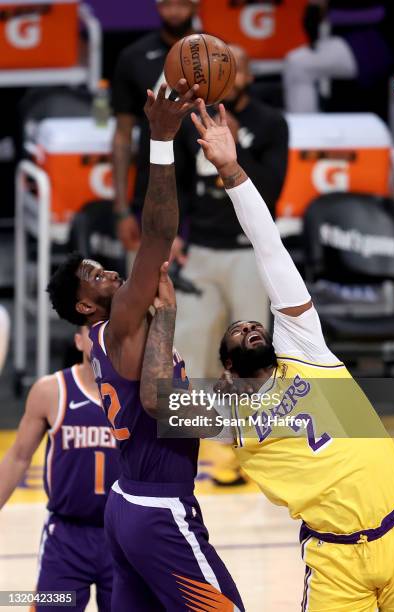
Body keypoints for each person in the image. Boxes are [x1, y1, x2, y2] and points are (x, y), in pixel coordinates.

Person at [140, 100, 394, 611]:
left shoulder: (306, 347)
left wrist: (231, 169)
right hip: (336, 561)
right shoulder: (230, 418)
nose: (246, 325)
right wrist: (166, 315)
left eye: (251, 324)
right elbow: (157, 402)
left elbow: (269, 248)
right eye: (237, 333)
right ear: (227, 369)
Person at [47, 84, 244, 611]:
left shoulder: (115, 335)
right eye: (94, 276)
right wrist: (160, 139)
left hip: (126, 505)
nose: (108, 270)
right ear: (87, 307)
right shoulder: (123, 320)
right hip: (159, 509)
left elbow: (161, 397)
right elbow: (158, 233)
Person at [173, 44, 288, 380]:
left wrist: (234, 150)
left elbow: (271, 192)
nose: (226, 75)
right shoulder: (191, 120)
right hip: (201, 250)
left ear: (249, 75)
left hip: (249, 252)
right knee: (189, 345)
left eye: (234, 68)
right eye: (218, 67)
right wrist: (173, 235)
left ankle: (257, 426)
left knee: (252, 352)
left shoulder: (271, 123)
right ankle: (191, 429)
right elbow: (177, 184)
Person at [0, 327, 120, 612]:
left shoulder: (142, 393)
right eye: (94, 332)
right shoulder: (51, 390)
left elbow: (201, 422)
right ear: (79, 340)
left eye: (111, 332)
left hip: (124, 537)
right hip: (67, 537)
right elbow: (18, 456)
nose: (103, 339)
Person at [112, 0, 199, 251]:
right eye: (167, 4)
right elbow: (122, 134)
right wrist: (121, 209)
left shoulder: (217, 56)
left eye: (182, 4)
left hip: (207, 198)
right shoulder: (133, 57)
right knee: (148, 284)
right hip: (153, 186)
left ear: (196, 6)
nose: (174, 11)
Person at [283, 0, 394, 113]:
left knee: (298, 63)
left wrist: (328, 10)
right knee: (298, 63)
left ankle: (306, 128)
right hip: (342, 37)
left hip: (375, 42)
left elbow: (377, 12)